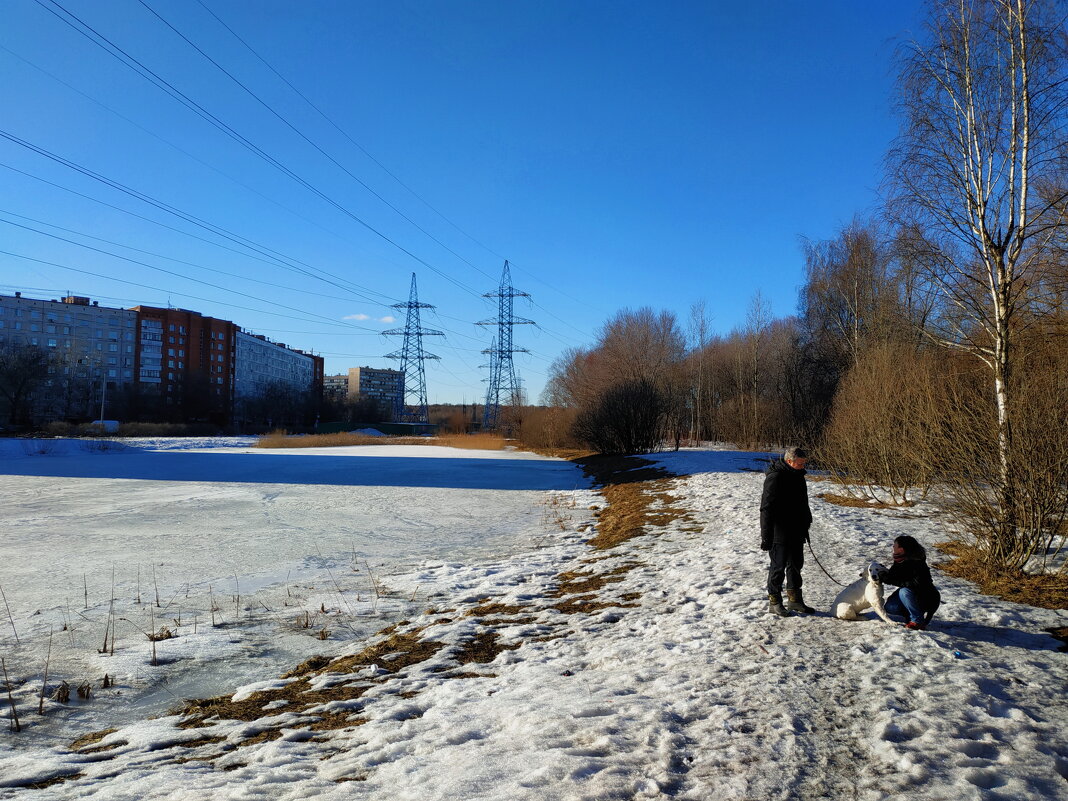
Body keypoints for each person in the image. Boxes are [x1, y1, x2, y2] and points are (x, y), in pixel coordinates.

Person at [760, 446, 814, 616]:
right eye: (800, 463)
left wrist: (806, 522)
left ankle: (795, 600)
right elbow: (766, 508)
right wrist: (766, 535)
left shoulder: (799, 476)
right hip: (779, 531)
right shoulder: (775, 477)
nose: (803, 466)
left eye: (804, 463)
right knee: (778, 567)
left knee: (796, 565)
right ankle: (774, 601)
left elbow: (803, 503)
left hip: (797, 529)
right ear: (790, 461)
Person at [881, 535, 941, 630]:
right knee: (890, 607)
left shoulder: (918, 563)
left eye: (894, 545)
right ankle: (911, 615)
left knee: (904, 591)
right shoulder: (900, 559)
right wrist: (883, 574)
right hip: (912, 596)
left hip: (927, 598)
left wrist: (894, 581)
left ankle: (917, 621)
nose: (893, 547)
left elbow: (916, 584)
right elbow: (892, 576)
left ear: (901, 549)